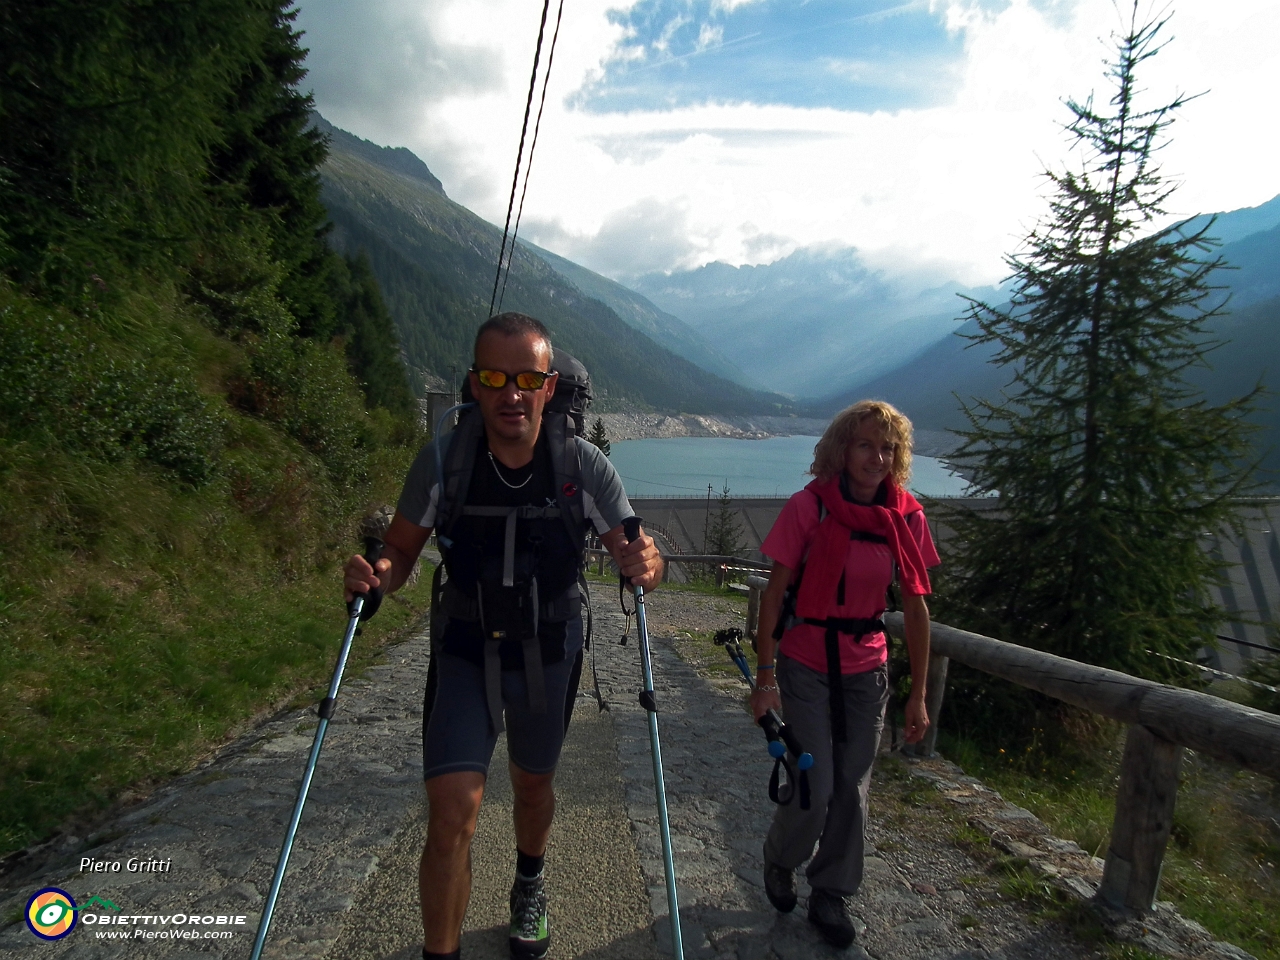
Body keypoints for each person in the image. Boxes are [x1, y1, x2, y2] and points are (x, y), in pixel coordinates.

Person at [343, 313, 663, 960]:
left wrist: (646, 566)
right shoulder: (444, 463)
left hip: (549, 648)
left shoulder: (583, 468)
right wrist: (377, 575)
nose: (510, 393)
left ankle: (529, 882)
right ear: (473, 384)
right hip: (465, 646)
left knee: (533, 786)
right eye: (494, 377)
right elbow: (402, 552)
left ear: (549, 387)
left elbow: (636, 553)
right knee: (452, 813)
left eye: (526, 378)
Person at [749, 399, 939, 948]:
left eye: (887, 447)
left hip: (866, 667)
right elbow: (776, 593)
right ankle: (780, 858)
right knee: (816, 780)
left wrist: (917, 696)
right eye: (865, 445)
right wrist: (766, 677)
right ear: (842, 449)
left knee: (853, 790)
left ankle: (830, 893)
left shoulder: (906, 517)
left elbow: (918, 607)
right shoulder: (809, 507)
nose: (877, 457)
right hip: (806, 661)